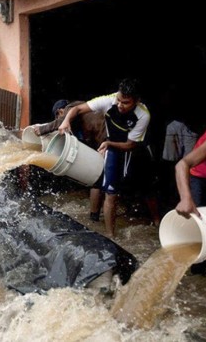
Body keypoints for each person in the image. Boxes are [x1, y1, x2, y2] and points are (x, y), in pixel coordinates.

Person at [58, 78, 151, 238]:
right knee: (110, 193)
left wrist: (109, 144)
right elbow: (78, 109)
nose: (120, 105)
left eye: (126, 102)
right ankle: (110, 235)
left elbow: (130, 145)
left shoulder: (143, 115)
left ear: (137, 101)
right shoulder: (109, 100)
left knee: (146, 186)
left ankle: (155, 222)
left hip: (132, 149)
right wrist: (66, 120)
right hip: (111, 148)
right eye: (119, 100)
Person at [33, 99, 106, 222]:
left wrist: (42, 129)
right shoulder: (81, 113)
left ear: (60, 111)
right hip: (104, 140)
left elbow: (61, 122)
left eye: (57, 117)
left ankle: (94, 217)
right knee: (101, 179)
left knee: (97, 178)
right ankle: (96, 215)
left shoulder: (71, 108)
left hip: (107, 140)